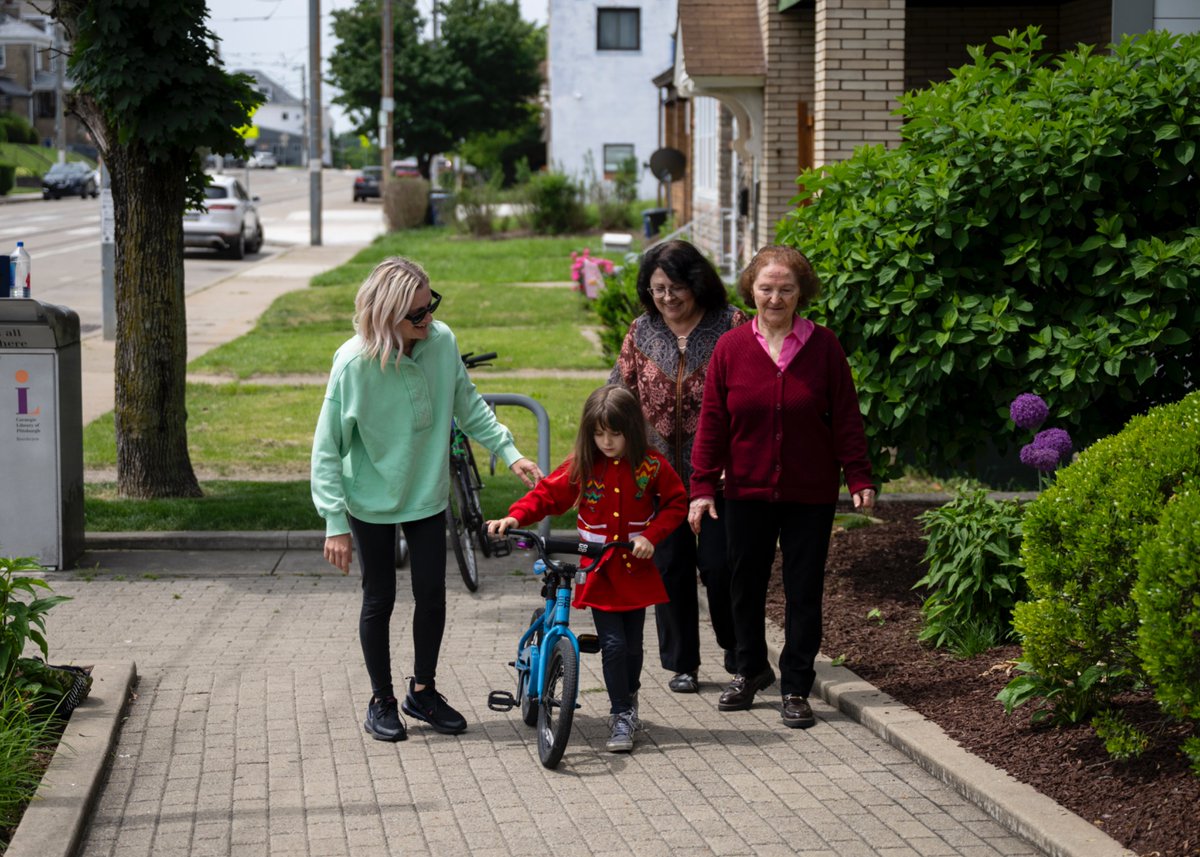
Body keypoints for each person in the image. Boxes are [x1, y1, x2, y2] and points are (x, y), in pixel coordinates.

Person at [311, 257, 543, 743]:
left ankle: (422, 691)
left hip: (426, 495)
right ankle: (382, 700)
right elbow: (326, 447)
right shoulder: (353, 363)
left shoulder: (441, 343)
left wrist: (509, 450)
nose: (428, 319)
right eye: (416, 314)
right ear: (386, 315)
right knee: (380, 598)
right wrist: (334, 522)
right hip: (369, 501)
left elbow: (469, 404)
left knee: (432, 595)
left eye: (429, 305)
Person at [688, 245, 876, 730]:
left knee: (803, 590)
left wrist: (858, 476)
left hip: (809, 492)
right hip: (745, 491)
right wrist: (702, 487)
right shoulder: (730, 349)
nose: (775, 297)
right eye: (766, 287)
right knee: (742, 584)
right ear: (751, 288)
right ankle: (750, 672)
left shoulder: (825, 346)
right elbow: (712, 423)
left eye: (786, 289)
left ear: (801, 293)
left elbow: (846, 418)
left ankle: (795, 685)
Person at [488, 385, 687, 753]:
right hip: (601, 570)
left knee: (633, 647)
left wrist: (652, 536)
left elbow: (676, 502)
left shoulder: (652, 465)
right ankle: (622, 713)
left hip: (636, 569)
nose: (606, 442)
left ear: (632, 430)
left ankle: (629, 696)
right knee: (613, 645)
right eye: (598, 433)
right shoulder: (583, 464)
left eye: (615, 433)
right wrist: (514, 516)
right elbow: (548, 495)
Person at [609, 239, 748, 695]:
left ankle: (736, 649)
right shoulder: (641, 331)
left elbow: (747, 397)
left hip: (718, 477)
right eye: (658, 289)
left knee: (720, 565)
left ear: (698, 283)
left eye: (676, 287)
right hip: (658, 480)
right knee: (668, 570)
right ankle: (682, 663)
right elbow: (619, 390)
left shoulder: (731, 327)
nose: (667, 298)